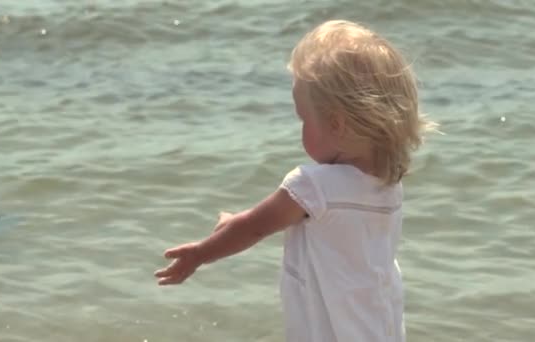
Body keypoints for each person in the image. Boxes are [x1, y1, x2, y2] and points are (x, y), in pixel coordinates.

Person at [154, 19, 436, 342]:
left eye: (304, 119)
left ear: (336, 125)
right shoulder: (388, 186)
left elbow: (253, 227)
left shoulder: (311, 185)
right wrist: (239, 222)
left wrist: (200, 254)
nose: (300, 129)